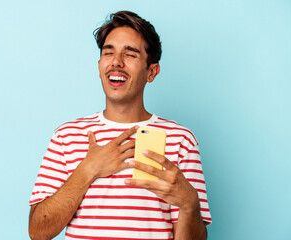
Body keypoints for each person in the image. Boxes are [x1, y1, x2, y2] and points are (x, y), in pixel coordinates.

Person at [28, 10, 211, 240]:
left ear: (151, 72)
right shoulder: (67, 136)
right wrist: (88, 169)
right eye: (109, 52)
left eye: (130, 54)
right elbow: (37, 231)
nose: (116, 62)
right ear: (99, 65)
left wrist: (189, 204)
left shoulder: (180, 140)